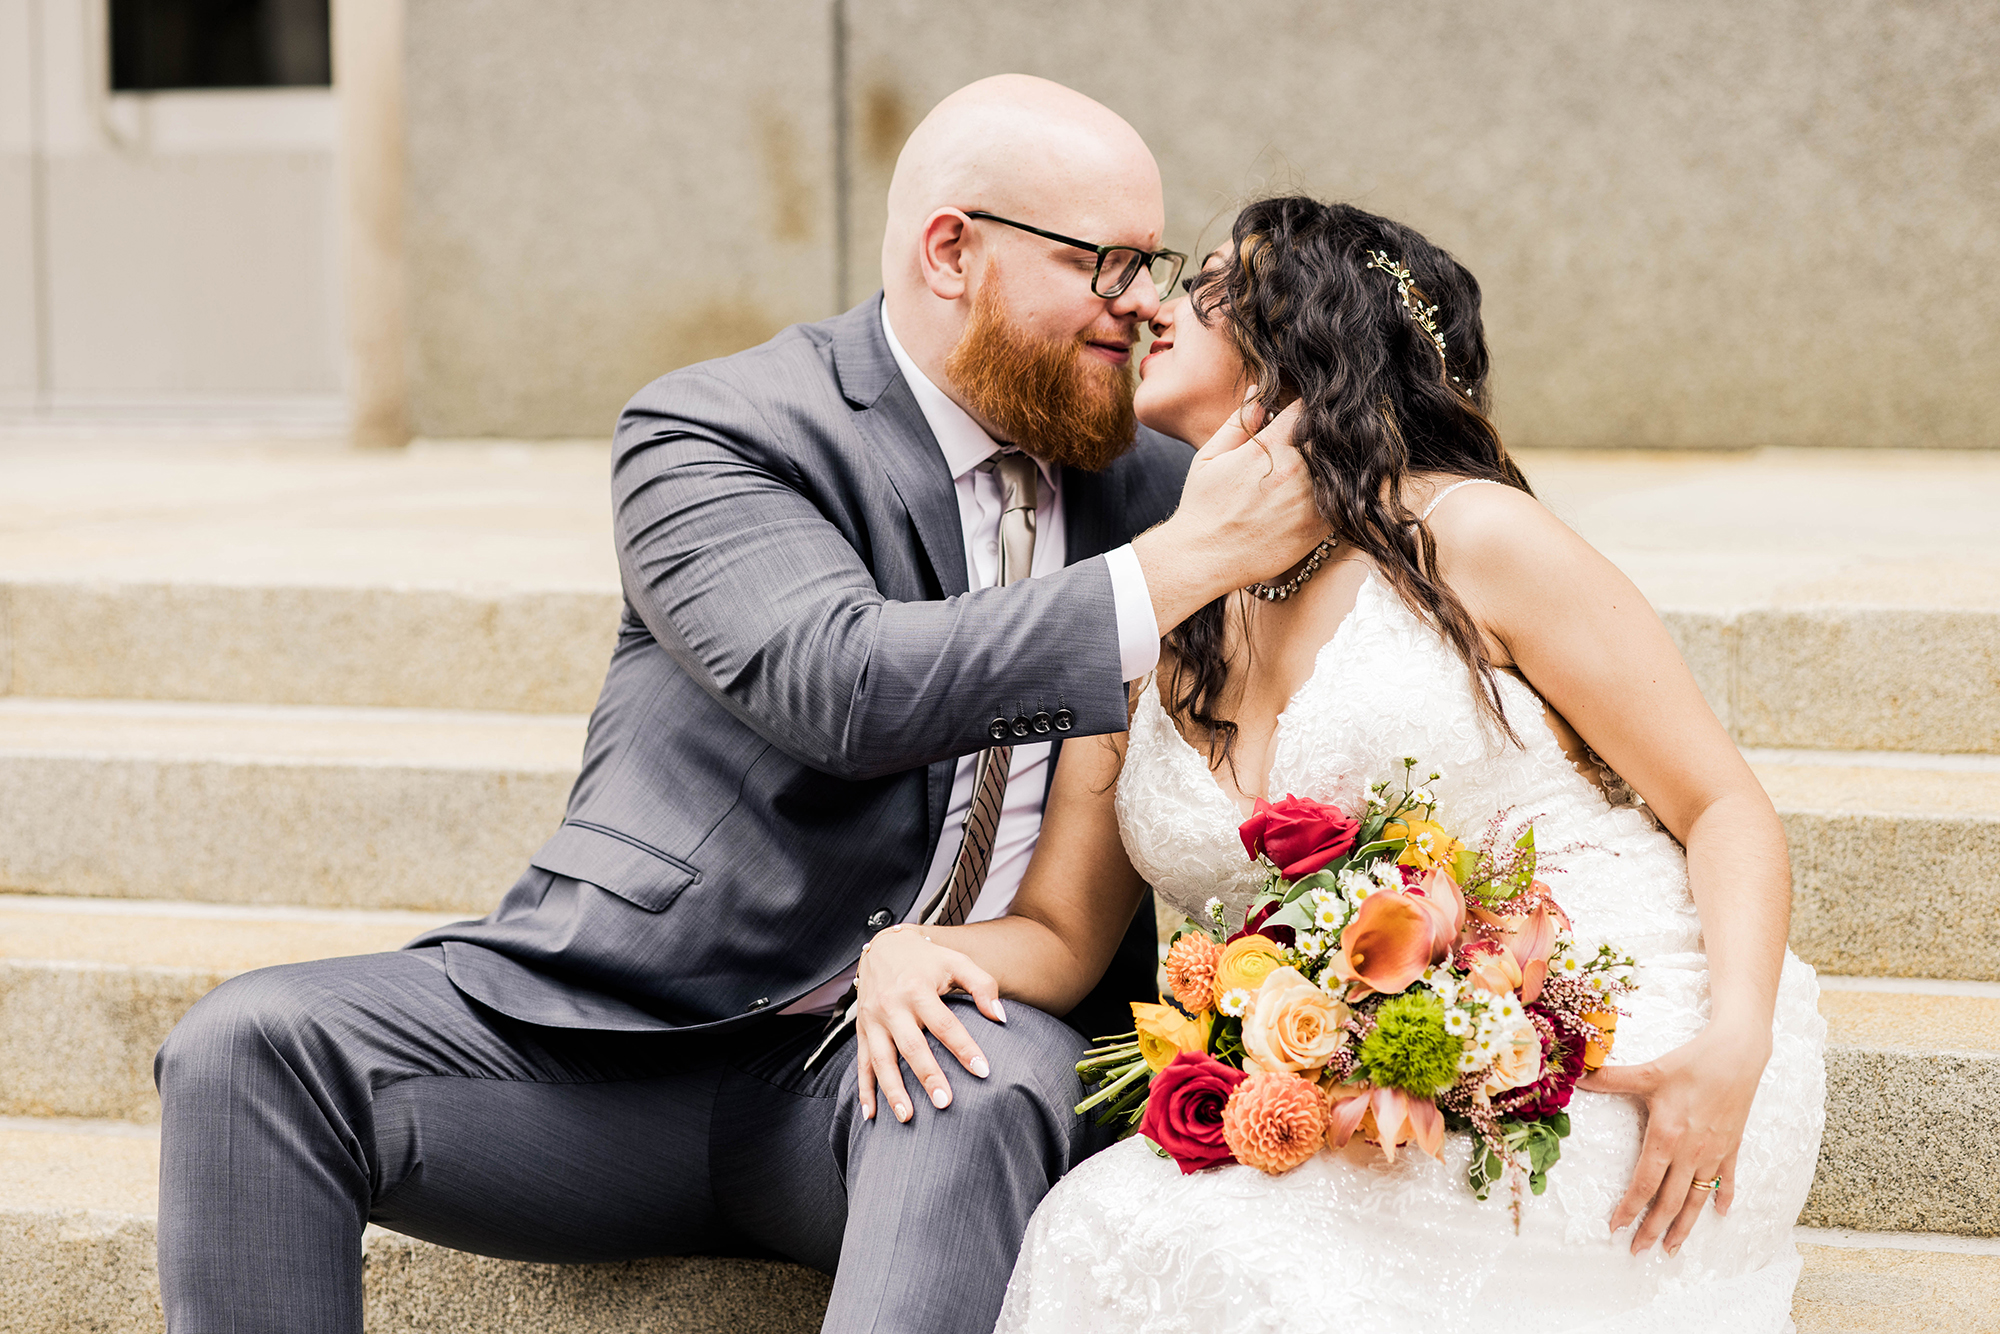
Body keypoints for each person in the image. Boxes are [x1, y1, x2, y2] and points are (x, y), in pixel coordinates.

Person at [150, 77, 1328, 1334]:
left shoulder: (1161, 487)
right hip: (620, 1051)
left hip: (925, 1068)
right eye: (1105, 264)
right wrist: (1178, 567)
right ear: (952, 251)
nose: (1145, 303)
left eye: (1153, 262)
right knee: (247, 1046)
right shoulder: (718, 431)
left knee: (977, 1075)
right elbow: (842, 682)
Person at [854, 197, 1827, 1332]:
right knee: (1101, 1223)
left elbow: (1720, 804)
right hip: (1354, 1075)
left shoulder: (1468, 538)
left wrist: (1733, 1043)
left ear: (1308, 330)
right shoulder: (1142, 610)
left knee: (1251, 1268)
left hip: (1626, 1032)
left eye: (1209, 287)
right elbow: (1065, 937)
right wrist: (912, 946)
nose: (1153, 306)